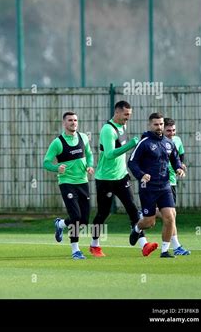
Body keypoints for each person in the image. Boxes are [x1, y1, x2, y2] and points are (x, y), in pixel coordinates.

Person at [90, 101, 158, 257]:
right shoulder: (108, 129)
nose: (128, 118)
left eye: (130, 114)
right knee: (103, 214)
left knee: (133, 210)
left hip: (121, 177)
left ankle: (144, 245)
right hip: (105, 179)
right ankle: (94, 245)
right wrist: (131, 145)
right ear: (117, 112)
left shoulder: (123, 126)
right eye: (126, 114)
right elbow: (109, 154)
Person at [128, 112, 185, 258]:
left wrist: (178, 168)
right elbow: (132, 162)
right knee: (149, 222)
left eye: (161, 124)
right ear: (150, 125)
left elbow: (175, 159)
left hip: (165, 186)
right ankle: (136, 228)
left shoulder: (168, 142)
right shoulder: (145, 142)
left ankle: (165, 251)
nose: (159, 127)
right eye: (156, 124)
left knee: (170, 217)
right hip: (149, 188)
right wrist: (141, 175)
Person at [44, 111, 94, 260]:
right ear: (64, 123)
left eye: (75, 120)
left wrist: (90, 165)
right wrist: (56, 168)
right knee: (76, 216)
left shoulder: (83, 137)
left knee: (84, 220)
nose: (74, 123)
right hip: (67, 183)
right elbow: (46, 162)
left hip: (83, 181)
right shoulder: (58, 142)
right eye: (70, 120)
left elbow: (90, 154)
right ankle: (75, 250)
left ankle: (60, 224)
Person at [162, 118, 190, 255]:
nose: (171, 133)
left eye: (173, 130)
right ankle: (176, 246)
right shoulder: (157, 142)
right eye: (168, 130)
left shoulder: (177, 140)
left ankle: (143, 214)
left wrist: (181, 166)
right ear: (162, 129)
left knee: (170, 215)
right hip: (160, 182)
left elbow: (180, 156)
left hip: (172, 181)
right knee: (171, 215)